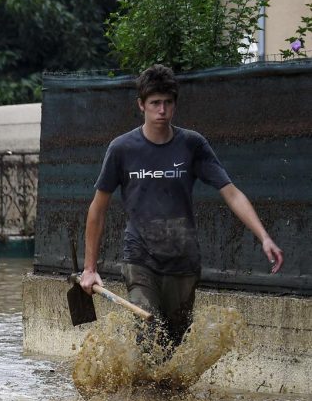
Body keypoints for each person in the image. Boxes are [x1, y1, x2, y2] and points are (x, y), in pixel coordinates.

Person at [79, 63, 284, 356]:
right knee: (147, 333)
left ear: (174, 105)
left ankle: (168, 399)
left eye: (167, 103)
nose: (162, 110)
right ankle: (138, 399)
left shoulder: (192, 144)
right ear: (141, 105)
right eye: (155, 103)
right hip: (140, 258)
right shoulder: (122, 149)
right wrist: (90, 268)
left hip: (184, 262)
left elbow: (231, 192)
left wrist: (264, 236)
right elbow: (97, 209)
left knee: (173, 347)